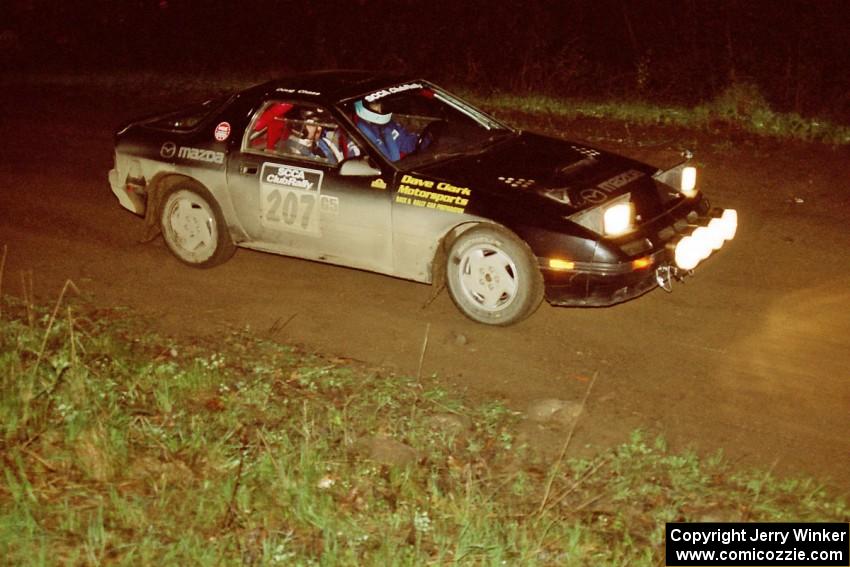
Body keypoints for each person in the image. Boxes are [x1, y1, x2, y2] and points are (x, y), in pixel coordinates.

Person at [354, 99, 424, 162]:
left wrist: (428, 140)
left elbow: (407, 142)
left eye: (381, 103)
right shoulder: (356, 132)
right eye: (375, 104)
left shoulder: (388, 125)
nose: (380, 108)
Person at [284, 108, 360, 165]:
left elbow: (341, 164)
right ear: (299, 125)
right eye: (313, 124)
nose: (319, 128)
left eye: (320, 124)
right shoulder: (288, 147)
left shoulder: (326, 143)